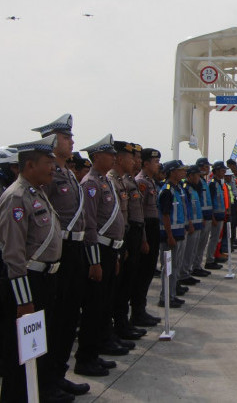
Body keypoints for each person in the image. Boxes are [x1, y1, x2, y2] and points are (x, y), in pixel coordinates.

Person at [0, 135, 75, 403]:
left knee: (39, 345)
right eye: (47, 163)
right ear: (29, 165)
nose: (52, 168)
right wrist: (24, 301)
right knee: (18, 353)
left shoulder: (37, 191)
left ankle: (37, 392)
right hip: (28, 283)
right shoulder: (16, 197)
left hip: (46, 280)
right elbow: (13, 254)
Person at [32, 114, 91, 397]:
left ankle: (58, 374)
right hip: (60, 251)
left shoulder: (66, 172)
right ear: (51, 141)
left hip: (76, 248)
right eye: (67, 137)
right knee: (55, 320)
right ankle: (47, 382)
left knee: (69, 316)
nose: (72, 142)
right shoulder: (50, 175)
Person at [74, 134, 127, 377]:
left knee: (104, 304)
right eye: (110, 154)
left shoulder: (104, 182)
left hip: (110, 250)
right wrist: (95, 260)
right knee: (94, 306)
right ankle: (85, 358)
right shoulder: (91, 184)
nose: (114, 158)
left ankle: (96, 351)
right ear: (96, 157)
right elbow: (90, 225)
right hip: (99, 251)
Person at [110, 141, 147, 341]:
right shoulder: (112, 181)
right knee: (118, 286)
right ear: (119, 158)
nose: (135, 161)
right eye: (132, 157)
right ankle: (117, 327)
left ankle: (123, 324)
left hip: (130, 234)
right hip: (119, 239)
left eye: (137, 158)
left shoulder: (125, 181)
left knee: (128, 283)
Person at [132, 148, 162, 326]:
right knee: (142, 273)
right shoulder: (141, 182)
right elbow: (139, 214)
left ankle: (141, 310)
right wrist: (143, 239)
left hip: (152, 227)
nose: (157, 164)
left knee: (149, 271)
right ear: (145, 163)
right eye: (155, 161)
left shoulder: (150, 181)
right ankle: (137, 312)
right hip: (146, 229)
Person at [157, 160, 188, 308]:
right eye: (181, 170)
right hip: (170, 236)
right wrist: (169, 235)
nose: (184, 172)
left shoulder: (177, 189)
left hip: (179, 233)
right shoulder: (167, 190)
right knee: (168, 268)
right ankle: (165, 297)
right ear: (173, 172)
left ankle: (172, 295)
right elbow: (165, 215)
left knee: (175, 267)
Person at [179, 166, 203, 287]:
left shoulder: (193, 188)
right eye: (197, 175)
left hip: (197, 223)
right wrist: (189, 223)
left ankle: (187, 272)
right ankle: (183, 274)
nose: (199, 177)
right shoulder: (186, 188)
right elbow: (186, 208)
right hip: (191, 225)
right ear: (190, 176)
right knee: (187, 251)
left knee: (192, 250)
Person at [191, 158, 212, 278]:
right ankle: (194, 267)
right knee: (197, 245)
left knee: (202, 244)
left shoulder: (204, 181)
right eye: (206, 167)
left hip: (206, 216)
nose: (208, 169)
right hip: (201, 217)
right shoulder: (197, 183)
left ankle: (197, 265)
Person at [204, 161, 226, 270]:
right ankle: (209, 260)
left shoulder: (218, 183)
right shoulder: (212, 184)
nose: (224, 172)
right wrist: (212, 217)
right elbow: (211, 202)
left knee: (217, 238)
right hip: (215, 217)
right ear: (216, 171)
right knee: (213, 239)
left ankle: (213, 257)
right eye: (222, 170)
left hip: (220, 216)